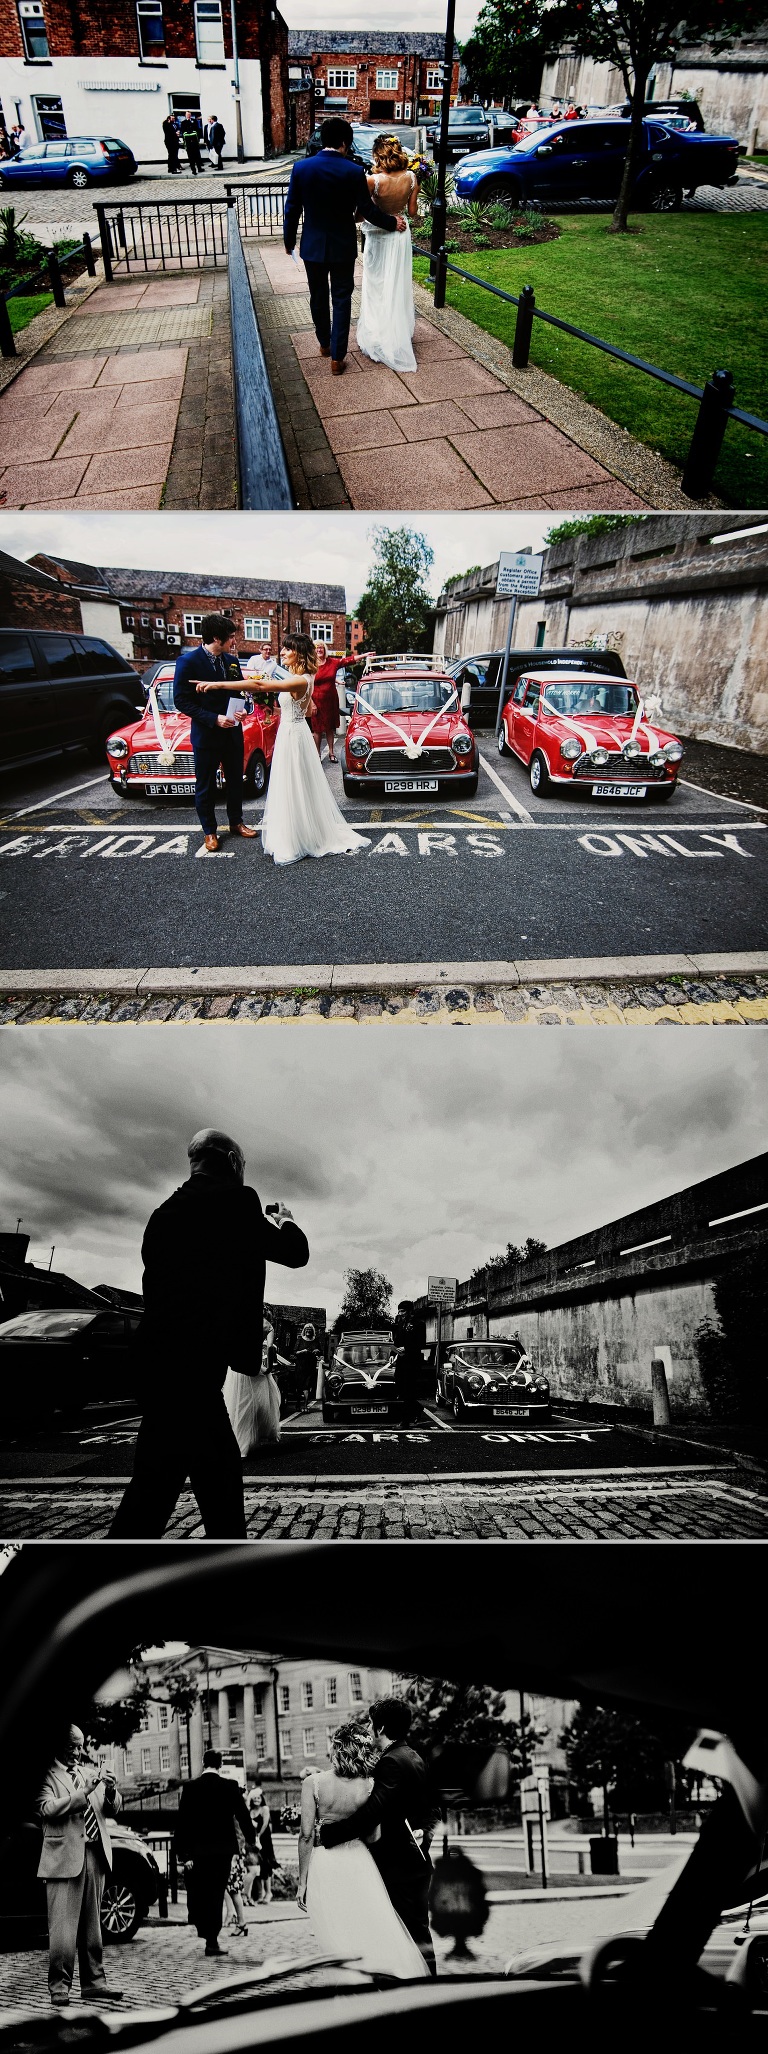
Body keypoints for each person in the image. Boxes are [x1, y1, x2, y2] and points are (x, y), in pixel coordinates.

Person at [108, 1126, 309, 1538]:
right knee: (197, 1487)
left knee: (170, 1484)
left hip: (158, 1365)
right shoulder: (238, 1201)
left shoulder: (163, 1214)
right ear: (233, 1162)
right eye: (243, 1163)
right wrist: (285, 1220)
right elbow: (295, 1253)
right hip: (193, 1373)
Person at [298, 1720, 429, 1978]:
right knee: (363, 1922)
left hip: (326, 1863)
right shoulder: (369, 1785)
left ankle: (346, 1982)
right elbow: (373, 1835)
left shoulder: (313, 1783)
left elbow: (305, 1835)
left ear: (337, 1748)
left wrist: (302, 1881)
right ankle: (371, 1974)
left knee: (335, 1928)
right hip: (359, 1861)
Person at [283, 115, 406, 376]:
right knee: (341, 299)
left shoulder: (301, 168)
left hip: (313, 246)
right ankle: (337, 358)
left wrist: (289, 241)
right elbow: (367, 210)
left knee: (317, 295)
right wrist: (391, 222)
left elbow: (292, 209)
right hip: (342, 246)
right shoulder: (353, 171)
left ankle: (324, 344)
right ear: (344, 143)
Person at [249, 632, 369, 866]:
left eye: (287, 649)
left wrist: (219, 685)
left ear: (300, 654)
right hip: (290, 731)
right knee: (290, 783)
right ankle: (296, 831)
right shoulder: (297, 677)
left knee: (295, 782)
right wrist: (273, 710)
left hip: (294, 736)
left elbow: (259, 684)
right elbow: (299, 710)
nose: (282, 652)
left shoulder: (301, 679)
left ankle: (299, 837)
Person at [36, 1726, 123, 2009]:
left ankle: (94, 1984)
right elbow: (47, 1809)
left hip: (95, 1854)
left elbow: (112, 1809)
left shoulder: (88, 1772)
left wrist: (111, 1790)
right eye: (72, 1746)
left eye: (80, 1746)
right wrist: (83, 1793)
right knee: (62, 1929)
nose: (77, 1752)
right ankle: (59, 1987)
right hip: (63, 1858)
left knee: (93, 1927)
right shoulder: (45, 1775)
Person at [172, 614, 258, 853]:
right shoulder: (187, 662)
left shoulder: (231, 661)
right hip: (207, 734)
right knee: (206, 785)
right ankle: (209, 831)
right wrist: (213, 718)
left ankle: (236, 822)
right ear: (217, 638)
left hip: (232, 733)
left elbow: (240, 692)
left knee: (236, 781)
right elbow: (181, 701)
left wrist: (243, 710)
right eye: (230, 637)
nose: (234, 641)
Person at [175, 1750, 256, 1957]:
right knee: (216, 1893)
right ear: (220, 1765)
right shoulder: (230, 1786)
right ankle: (212, 1939)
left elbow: (182, 1822)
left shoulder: (191, 1787)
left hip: (198, 1851)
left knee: (200, 1891)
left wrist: (183, 1854)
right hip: (222, 1851)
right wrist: (252, 1838)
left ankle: (205, 1929)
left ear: (203, 1763)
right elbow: (243, 1815)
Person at [356, 134, 419, 373]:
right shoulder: (412, 178)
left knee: (376, 284)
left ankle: (377, 334)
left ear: (378, 155)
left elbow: (361, 214)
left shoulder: (373, 181)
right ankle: (396, 332)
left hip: (378, 236)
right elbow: (412, 212)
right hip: (401, 235)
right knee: (396, 283)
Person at [223, 1316, 282, 1457]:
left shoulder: (235, 1320)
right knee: (253, 1402)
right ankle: (248, 1439)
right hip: (252, 1365)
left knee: (236, 1402)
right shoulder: (266, 1324)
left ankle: (237, 1442)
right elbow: (270, 1348)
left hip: (235, 1368)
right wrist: (268, 1368)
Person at [310, 650, 345, 763]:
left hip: (330, 701)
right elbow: (308, 685)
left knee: (330, 728)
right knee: (317, 730)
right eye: (316, 648)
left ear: (324, 649)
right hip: (316, 702)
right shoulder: (311, 664)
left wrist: (363, 655)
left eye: (321, 647)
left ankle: (331, 753)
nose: (319, 650)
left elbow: (346, 661)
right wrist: (312, 704)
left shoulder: (330, 662)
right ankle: (317, 754)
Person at [249, 1788, 277, 1903]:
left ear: (262, 1799)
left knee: (266, 1865)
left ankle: (269, 1893)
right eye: (254, 1798)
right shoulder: (250, 1811)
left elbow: (265, 1824)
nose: (256, 1800)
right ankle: (260, 1894)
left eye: (258, 1798)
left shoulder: (264, 1809)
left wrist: (258, 1836)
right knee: (257, 1866)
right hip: (254, 1842)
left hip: (264, 1840)